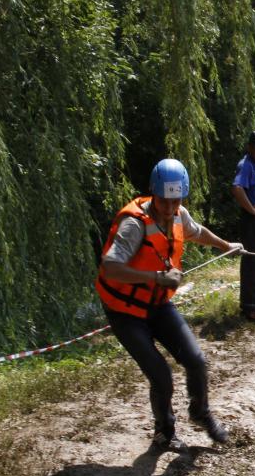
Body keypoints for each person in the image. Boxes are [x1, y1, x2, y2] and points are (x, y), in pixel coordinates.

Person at [96, 159, 243, 452]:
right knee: (161, 375)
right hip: (125, 312)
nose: (169, 207)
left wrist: (225, 245)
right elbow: (110, 267)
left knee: (196, 360)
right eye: (164, 200)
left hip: (158, 305)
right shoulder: (134, 224)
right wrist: (157, 277)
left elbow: (196, 231)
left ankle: (200, 413)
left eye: (176, 200)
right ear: (153, 193)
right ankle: (165, 432)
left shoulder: (178, 214)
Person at [232, 131, 255, 322]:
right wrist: (253, 210)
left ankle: (250, 306)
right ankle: (251, 310)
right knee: (254, 263)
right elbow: (237, 189)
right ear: (250, 148)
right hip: (251, 222)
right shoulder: (246, 165)